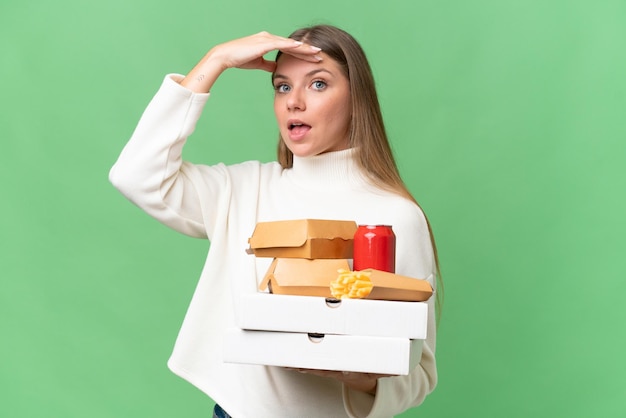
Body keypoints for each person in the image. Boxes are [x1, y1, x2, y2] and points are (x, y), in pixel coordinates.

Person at [110, 24, 441, 418]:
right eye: (283, 86)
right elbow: (135, 175)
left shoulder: (394, 217)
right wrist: (214, 61)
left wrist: (357, 376)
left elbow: (419, 372)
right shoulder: (243, 190)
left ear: (357, 100)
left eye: (318, 84)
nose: (294, 102)